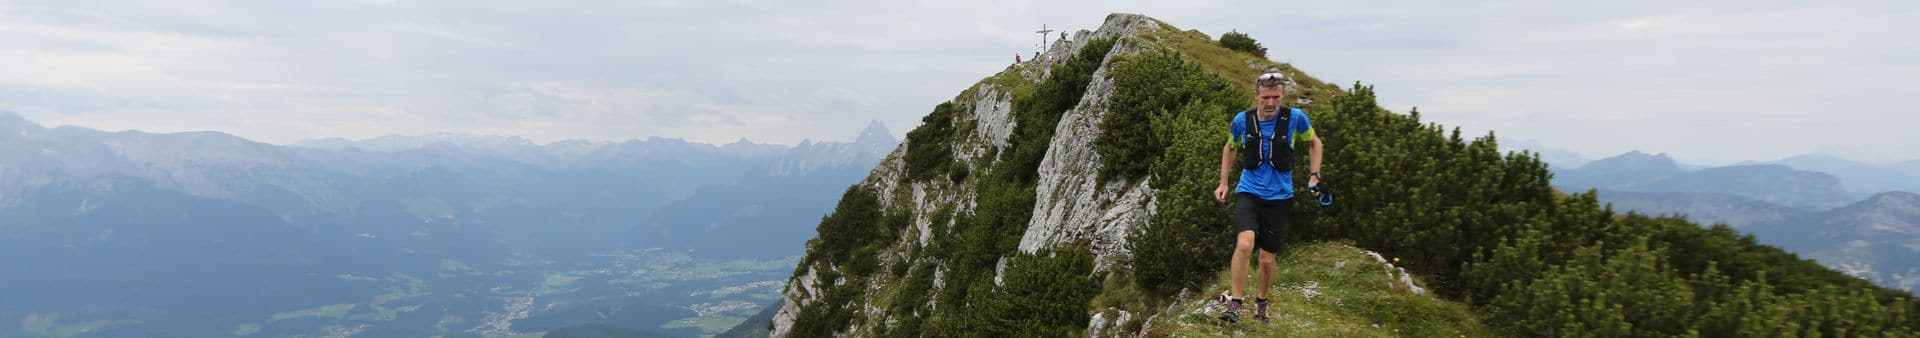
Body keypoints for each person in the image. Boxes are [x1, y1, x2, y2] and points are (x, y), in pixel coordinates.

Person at [1213, 69, 1324, 323]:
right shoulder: (1242, 120)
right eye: (1266, 98)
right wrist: (1223, 183)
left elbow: (1315, 142)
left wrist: (1314, 175)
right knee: (1244, 244)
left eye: (1276, 96)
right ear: (1256, 95)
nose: (1271, 103)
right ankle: (1235, 304)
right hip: (1248, 191)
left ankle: (1261, 302)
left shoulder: (1295, 118)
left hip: (1280, 198)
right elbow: (1229, 147)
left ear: (1283, 94)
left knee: (1266, 260)